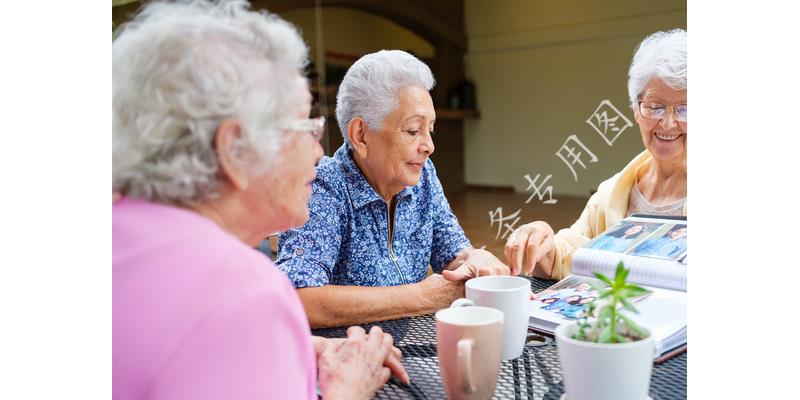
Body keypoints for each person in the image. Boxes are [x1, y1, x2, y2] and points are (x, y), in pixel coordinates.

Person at [112, 2, 408, 399]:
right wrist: (349, 388)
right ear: (235, 148)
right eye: (305, 126)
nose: (319, 152)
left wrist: (294, 346)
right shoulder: (244, 293)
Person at [276, 50, 511, 328]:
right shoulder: (325, 187)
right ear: (361, 135)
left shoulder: (422, 176)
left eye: (430, 130)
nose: (429, 146)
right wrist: (420, 296)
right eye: (413, 130)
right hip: (348, 361)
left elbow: (452, 254)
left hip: (407, 352)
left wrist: (473, 257)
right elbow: (297, 298)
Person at [505, 28, 688, 280]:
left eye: (685, 109)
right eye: (655, 107)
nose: (667, 123)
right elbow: (566, 259)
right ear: (636, 110)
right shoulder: (613, 193)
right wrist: (539, 240)